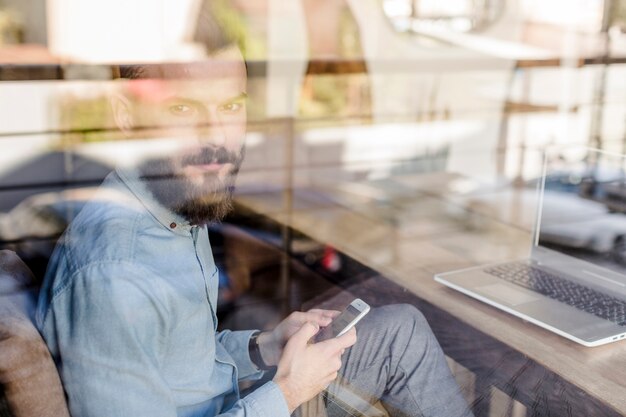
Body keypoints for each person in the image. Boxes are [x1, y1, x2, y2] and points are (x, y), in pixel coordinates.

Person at [35, 6, 474, 417]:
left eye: (231, 106)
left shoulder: (174, 200)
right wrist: (288, 391)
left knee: (400, 329)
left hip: (231, 399)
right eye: (183, 108)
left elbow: (185, 362)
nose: (216, 135)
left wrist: (265, 345)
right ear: (126, 116)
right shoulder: (116, 274)